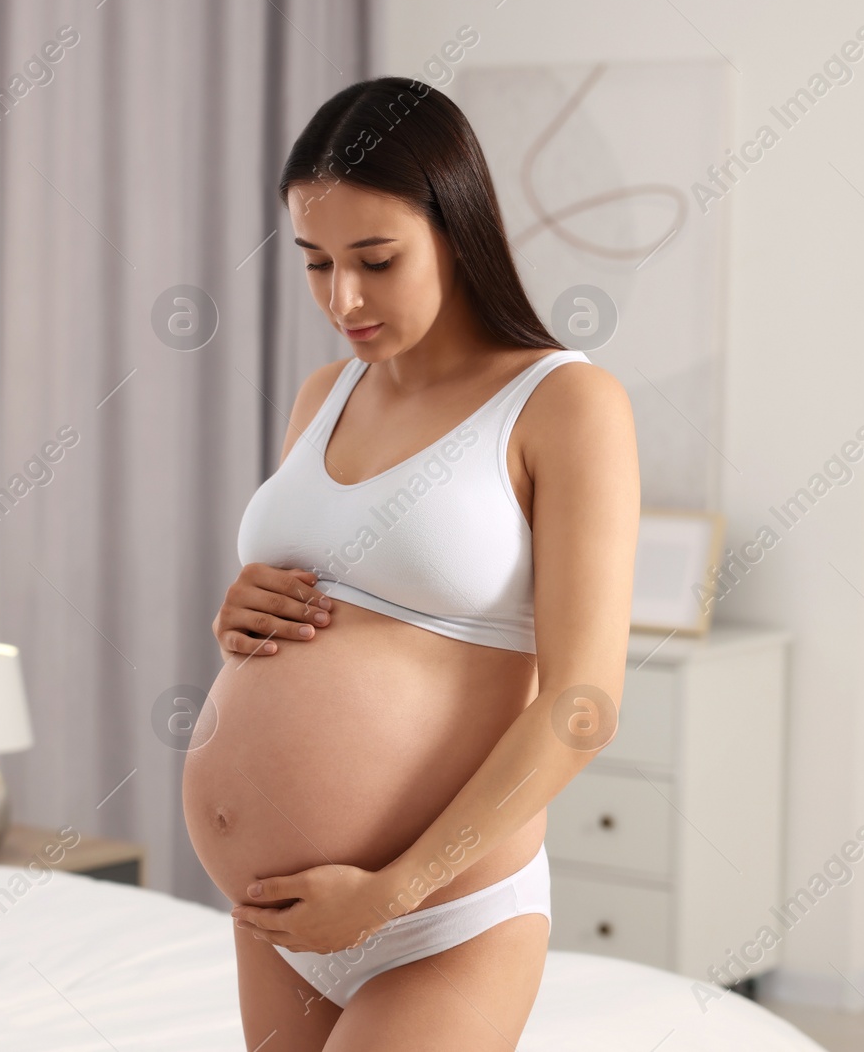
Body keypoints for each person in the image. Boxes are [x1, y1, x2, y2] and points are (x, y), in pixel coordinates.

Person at [187, 75, 640, 1050]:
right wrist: (240, 613)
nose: (342, 297)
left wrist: (390, 891)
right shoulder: (322, 393)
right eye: (313, 263)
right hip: (279, 917)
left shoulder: (565, 403)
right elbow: (341, 618)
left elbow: (583, 704)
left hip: (441, 917)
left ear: (456, 230)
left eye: (375, 259)